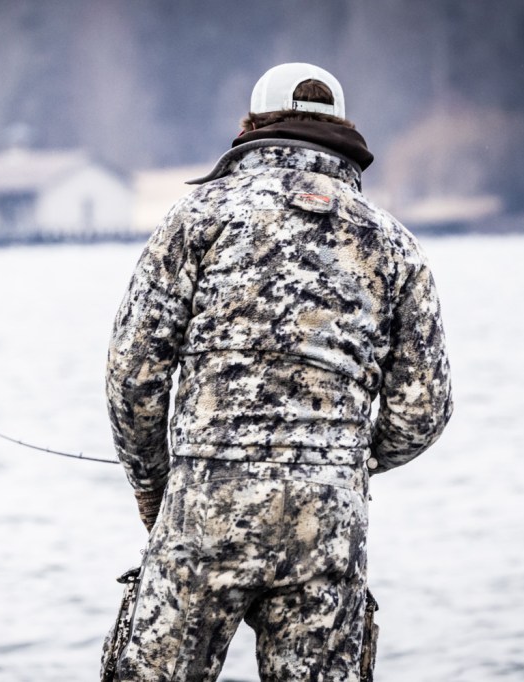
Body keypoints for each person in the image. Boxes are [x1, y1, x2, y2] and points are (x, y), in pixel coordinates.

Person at [105, 62, 453, 682]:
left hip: (204, 507)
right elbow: (423, 411)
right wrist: (341, 460)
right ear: (344, 135)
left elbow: (133, 377)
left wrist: (153, 487)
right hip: (329, 521)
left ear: (251, 129)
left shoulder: (198, 217)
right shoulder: (394, 244)